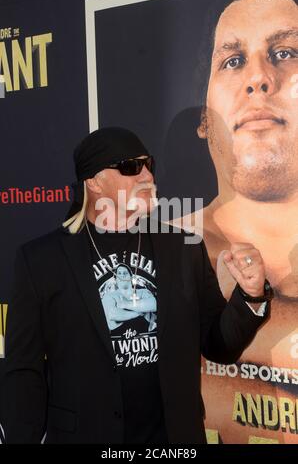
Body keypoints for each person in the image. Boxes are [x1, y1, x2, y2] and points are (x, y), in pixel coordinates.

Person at [1, 126, 272, 444]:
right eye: (130, 167)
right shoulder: (42, 260)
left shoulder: (183, 246)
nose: (146, 176)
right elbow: (23, 371)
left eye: (148, 165)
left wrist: (249, 296)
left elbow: (218, 346)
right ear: (94, 181)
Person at [177, 0, 298, 444]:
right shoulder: (161, 251)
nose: (259, 79)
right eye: (232, 60)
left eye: (285, 53)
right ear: (204, 118)